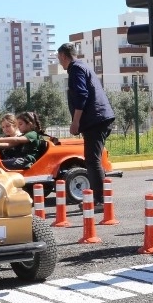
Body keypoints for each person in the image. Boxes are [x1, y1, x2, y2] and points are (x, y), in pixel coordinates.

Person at [58, 43, 115, 210]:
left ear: (63, 56)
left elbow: (82, 95)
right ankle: (100, 198)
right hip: (98, 118)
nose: (60, 63)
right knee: (93, 160)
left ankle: (100, 201)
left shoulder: (76, 69)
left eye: (59, 59)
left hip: (94, 120)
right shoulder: (83, 66)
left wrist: (75, 122)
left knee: (92, 160)